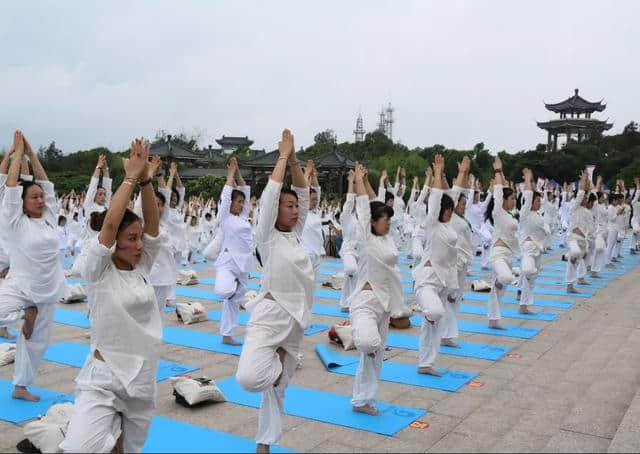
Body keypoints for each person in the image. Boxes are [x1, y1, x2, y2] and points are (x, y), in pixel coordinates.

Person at [60, 138, 163, 453]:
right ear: (114, 242)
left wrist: (146, 180)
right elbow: (110, 224)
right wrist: (129, 178)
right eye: (131, 239)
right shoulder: (98, 270)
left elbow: (153, 227)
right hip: (104, 378)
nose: (139, 244)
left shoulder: (142, 263)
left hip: (143, 377)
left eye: (139, 238)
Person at [235, 129, 312, 453]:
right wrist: (281, 157)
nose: (295, 210)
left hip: (295, 317)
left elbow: (305, 193)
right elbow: (268, 200)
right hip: (269, 313)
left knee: (277, 391)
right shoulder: (266, 237)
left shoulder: (297, 232)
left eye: (296, 206)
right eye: (289, 206)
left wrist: (294, 159)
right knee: (250, 378)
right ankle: (280, 363)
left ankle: (264, 444)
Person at [0, 130, 65, 401]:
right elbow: (12, 187)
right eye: (34, 197)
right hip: (20, 285)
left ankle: (21, 386)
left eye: (41, 197)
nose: (40, 200)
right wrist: (16, 154)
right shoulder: (15, 223)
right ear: (23, 204)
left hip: (48, 289)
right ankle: (25, 312)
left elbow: (46, 184)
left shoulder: (49, 218)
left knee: (37, 343)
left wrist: (32, 153)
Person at [347, 162, 403, 414]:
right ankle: (356, 335)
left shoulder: (386, 237)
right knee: (369, 345)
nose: (388, 223)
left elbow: (374, 202)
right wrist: (358, 181)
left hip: (384, 304)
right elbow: (364, 207)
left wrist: (368, 182)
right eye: (384, 220)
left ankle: (363, 400)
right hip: (365, 302)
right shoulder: (367, 236)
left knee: (375, 357)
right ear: (373, 222)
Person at [413, 155, 458, 374]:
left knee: (433, 324)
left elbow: (452, 261)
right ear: (445, 210)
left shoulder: (450, 227)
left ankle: (426, 363)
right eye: (449, 209)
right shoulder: (432, 224)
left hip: (443, 281)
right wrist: (438, 175)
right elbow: (436, 200)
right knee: (435, 313)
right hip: (428, 280)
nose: (452, 212)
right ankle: (423, 310)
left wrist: (452, 287)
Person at [215, 157, 252, 346]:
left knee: (235, 301)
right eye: (237, 201)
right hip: (228, 262)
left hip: (244, 263)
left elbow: (245, 189)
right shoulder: (225, 217)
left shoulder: (244, 217)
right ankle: (233, 287)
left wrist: (238, 172)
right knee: (224, 291)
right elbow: (227, 195)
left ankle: (227, 335)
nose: (240, 204)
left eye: (241, 202)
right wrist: (230, 176)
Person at [443, 156, 473, 348]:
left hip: (463, 263)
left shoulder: (462, 218)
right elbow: (455, 193)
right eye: (461, 203)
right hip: (453, 263)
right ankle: (445, 335)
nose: (463, 206)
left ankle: (448, 334)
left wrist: (466, 174)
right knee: (450, 298)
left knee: (456, 299)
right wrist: (462, 173)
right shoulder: (452, 216)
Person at [485, 155, 517, 330]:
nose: (513, 200)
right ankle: (496, 283)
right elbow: (499, 191)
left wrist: (503, 173)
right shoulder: (498, 212)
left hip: (509, 255)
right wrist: (497, 171)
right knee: (505, 279)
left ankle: (493, 320)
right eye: (511, 198)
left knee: (500, 290)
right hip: (498, 253)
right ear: (504, 201)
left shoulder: (511, 214)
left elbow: (504, 188)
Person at [518, 168, 550, 313]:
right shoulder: (525, 213)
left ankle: (524, 305)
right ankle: (522, 296)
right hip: (528, 250)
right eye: (537, 201)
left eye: (539, 200)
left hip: (538, 250)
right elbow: (528, 196)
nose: (539, 203)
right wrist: (528, 179)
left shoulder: (538, 215)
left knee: (531, 278)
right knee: (528, 271)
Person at [565, 171, 595, 293]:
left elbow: (587, 192)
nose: (586, 199)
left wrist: (588, 182)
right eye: (584, 198)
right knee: (575, 255)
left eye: (587, 198)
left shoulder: (586, 210)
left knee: (580, 259)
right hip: (573, 238)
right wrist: (583, 181)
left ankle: (579, 279)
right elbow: (581, 193)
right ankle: (569, 285)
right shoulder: (574, 207)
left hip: (584, 240)